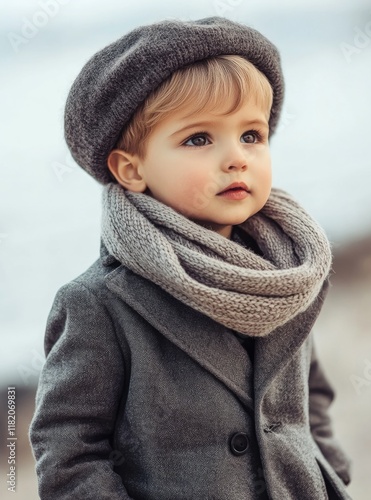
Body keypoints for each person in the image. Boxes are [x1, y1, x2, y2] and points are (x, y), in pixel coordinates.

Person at [29, 16, 352, 499]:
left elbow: (311, 395)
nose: (237, 157)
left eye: (251, 135)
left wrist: (330, 471)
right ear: (131, 169)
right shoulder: (98, 302)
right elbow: (66, 449)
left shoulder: (287, 272)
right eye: (199, 139)